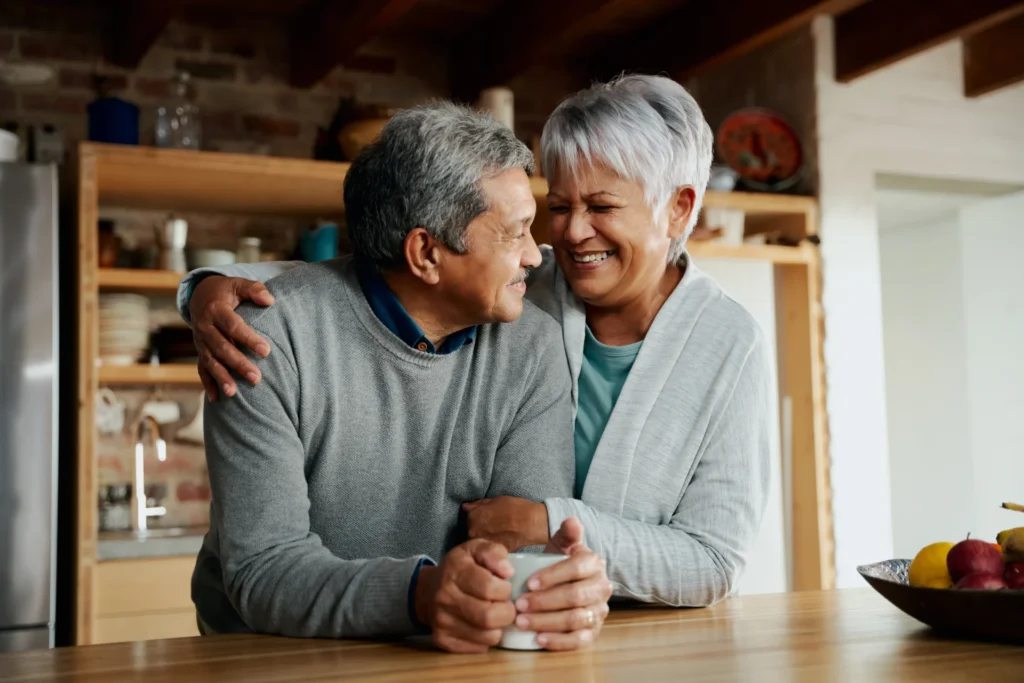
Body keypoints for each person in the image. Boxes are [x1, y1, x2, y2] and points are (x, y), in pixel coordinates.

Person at [182, 75, 771, 608]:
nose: (565, 234)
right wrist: (206, 290)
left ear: (678, 208)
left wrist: (549, 522)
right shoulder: (533, 280)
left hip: (599, 620)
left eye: (602, 206)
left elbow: (715, 559)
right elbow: (372, 273)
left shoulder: (726, 343)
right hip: (479, 611)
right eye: (558, 207)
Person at [186, 102, 611, 654]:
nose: (537, 256)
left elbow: (518, 553)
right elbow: (263, 571)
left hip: (445, 654)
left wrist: (554, 587)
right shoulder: (263, 340)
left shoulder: (530, 346)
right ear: (426, 253)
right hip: (269, 655)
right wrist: (422, 593)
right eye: (517, 233)